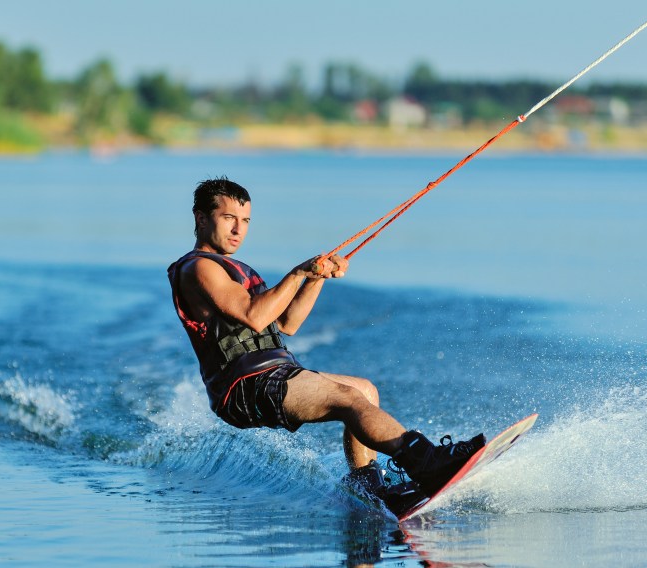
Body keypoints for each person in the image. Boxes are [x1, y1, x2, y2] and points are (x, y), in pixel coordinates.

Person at [167, 177, 485, 514]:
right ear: (201, 218)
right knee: (348, 400)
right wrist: (297, 273)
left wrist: (315, 278)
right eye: (228, 218)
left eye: (245, 220)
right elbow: (254, 316)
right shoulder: (199, 267)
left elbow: (287, 323)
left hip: (275, 374)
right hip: (246, 386)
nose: (238, 229)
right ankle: (427, 462)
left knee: (363, 391)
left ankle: (371, 488)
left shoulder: (234, 269)